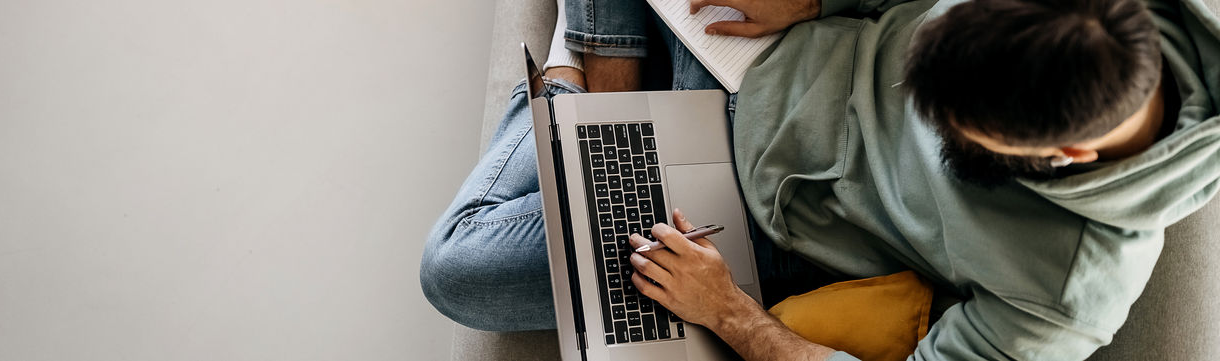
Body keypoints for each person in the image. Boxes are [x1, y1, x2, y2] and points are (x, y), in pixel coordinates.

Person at [421, 0, 1220, 359]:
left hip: (766, 219)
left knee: (458, 269)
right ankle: (614, 101)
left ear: (1062, 157)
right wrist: (820, 0)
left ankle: (580, 91)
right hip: (756, 55)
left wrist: (730, 313)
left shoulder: (1071, 290)